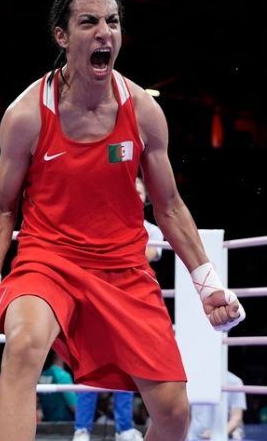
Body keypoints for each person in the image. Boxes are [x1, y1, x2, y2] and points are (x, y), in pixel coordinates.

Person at [0, 0, 245, 441]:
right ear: (62, 36)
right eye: (88, 22)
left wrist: (207, 284)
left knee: (174, 414)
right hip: (47, 261)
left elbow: (169, 206)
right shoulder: (26, 115)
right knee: (24, 346)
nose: (104, 32)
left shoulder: (143, 111)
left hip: (124, 269)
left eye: (112, 22)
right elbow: (1, 207)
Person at [72, 177, 158, 441]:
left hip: (131, 301)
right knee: (89, 363)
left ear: (146, 198)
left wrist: (117, 251)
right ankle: (82, 429)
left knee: (126, 365)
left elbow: (148, 255)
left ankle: (124, 428)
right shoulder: (104, 220)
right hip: (98, 297)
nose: (137, 194)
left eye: (141, 191)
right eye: (133, 188)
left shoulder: (152, 231)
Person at [186, 371, 246, 440]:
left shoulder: (234, 382)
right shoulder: (194, 378)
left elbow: (236, 417)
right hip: (193, 437)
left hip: (222, 438)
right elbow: (187, 412)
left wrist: (217, 435)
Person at [37, 351, 76, 422]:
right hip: (64, 423)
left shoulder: (42, 375)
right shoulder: (63, 376)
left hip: (45, 423)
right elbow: (74, 407)